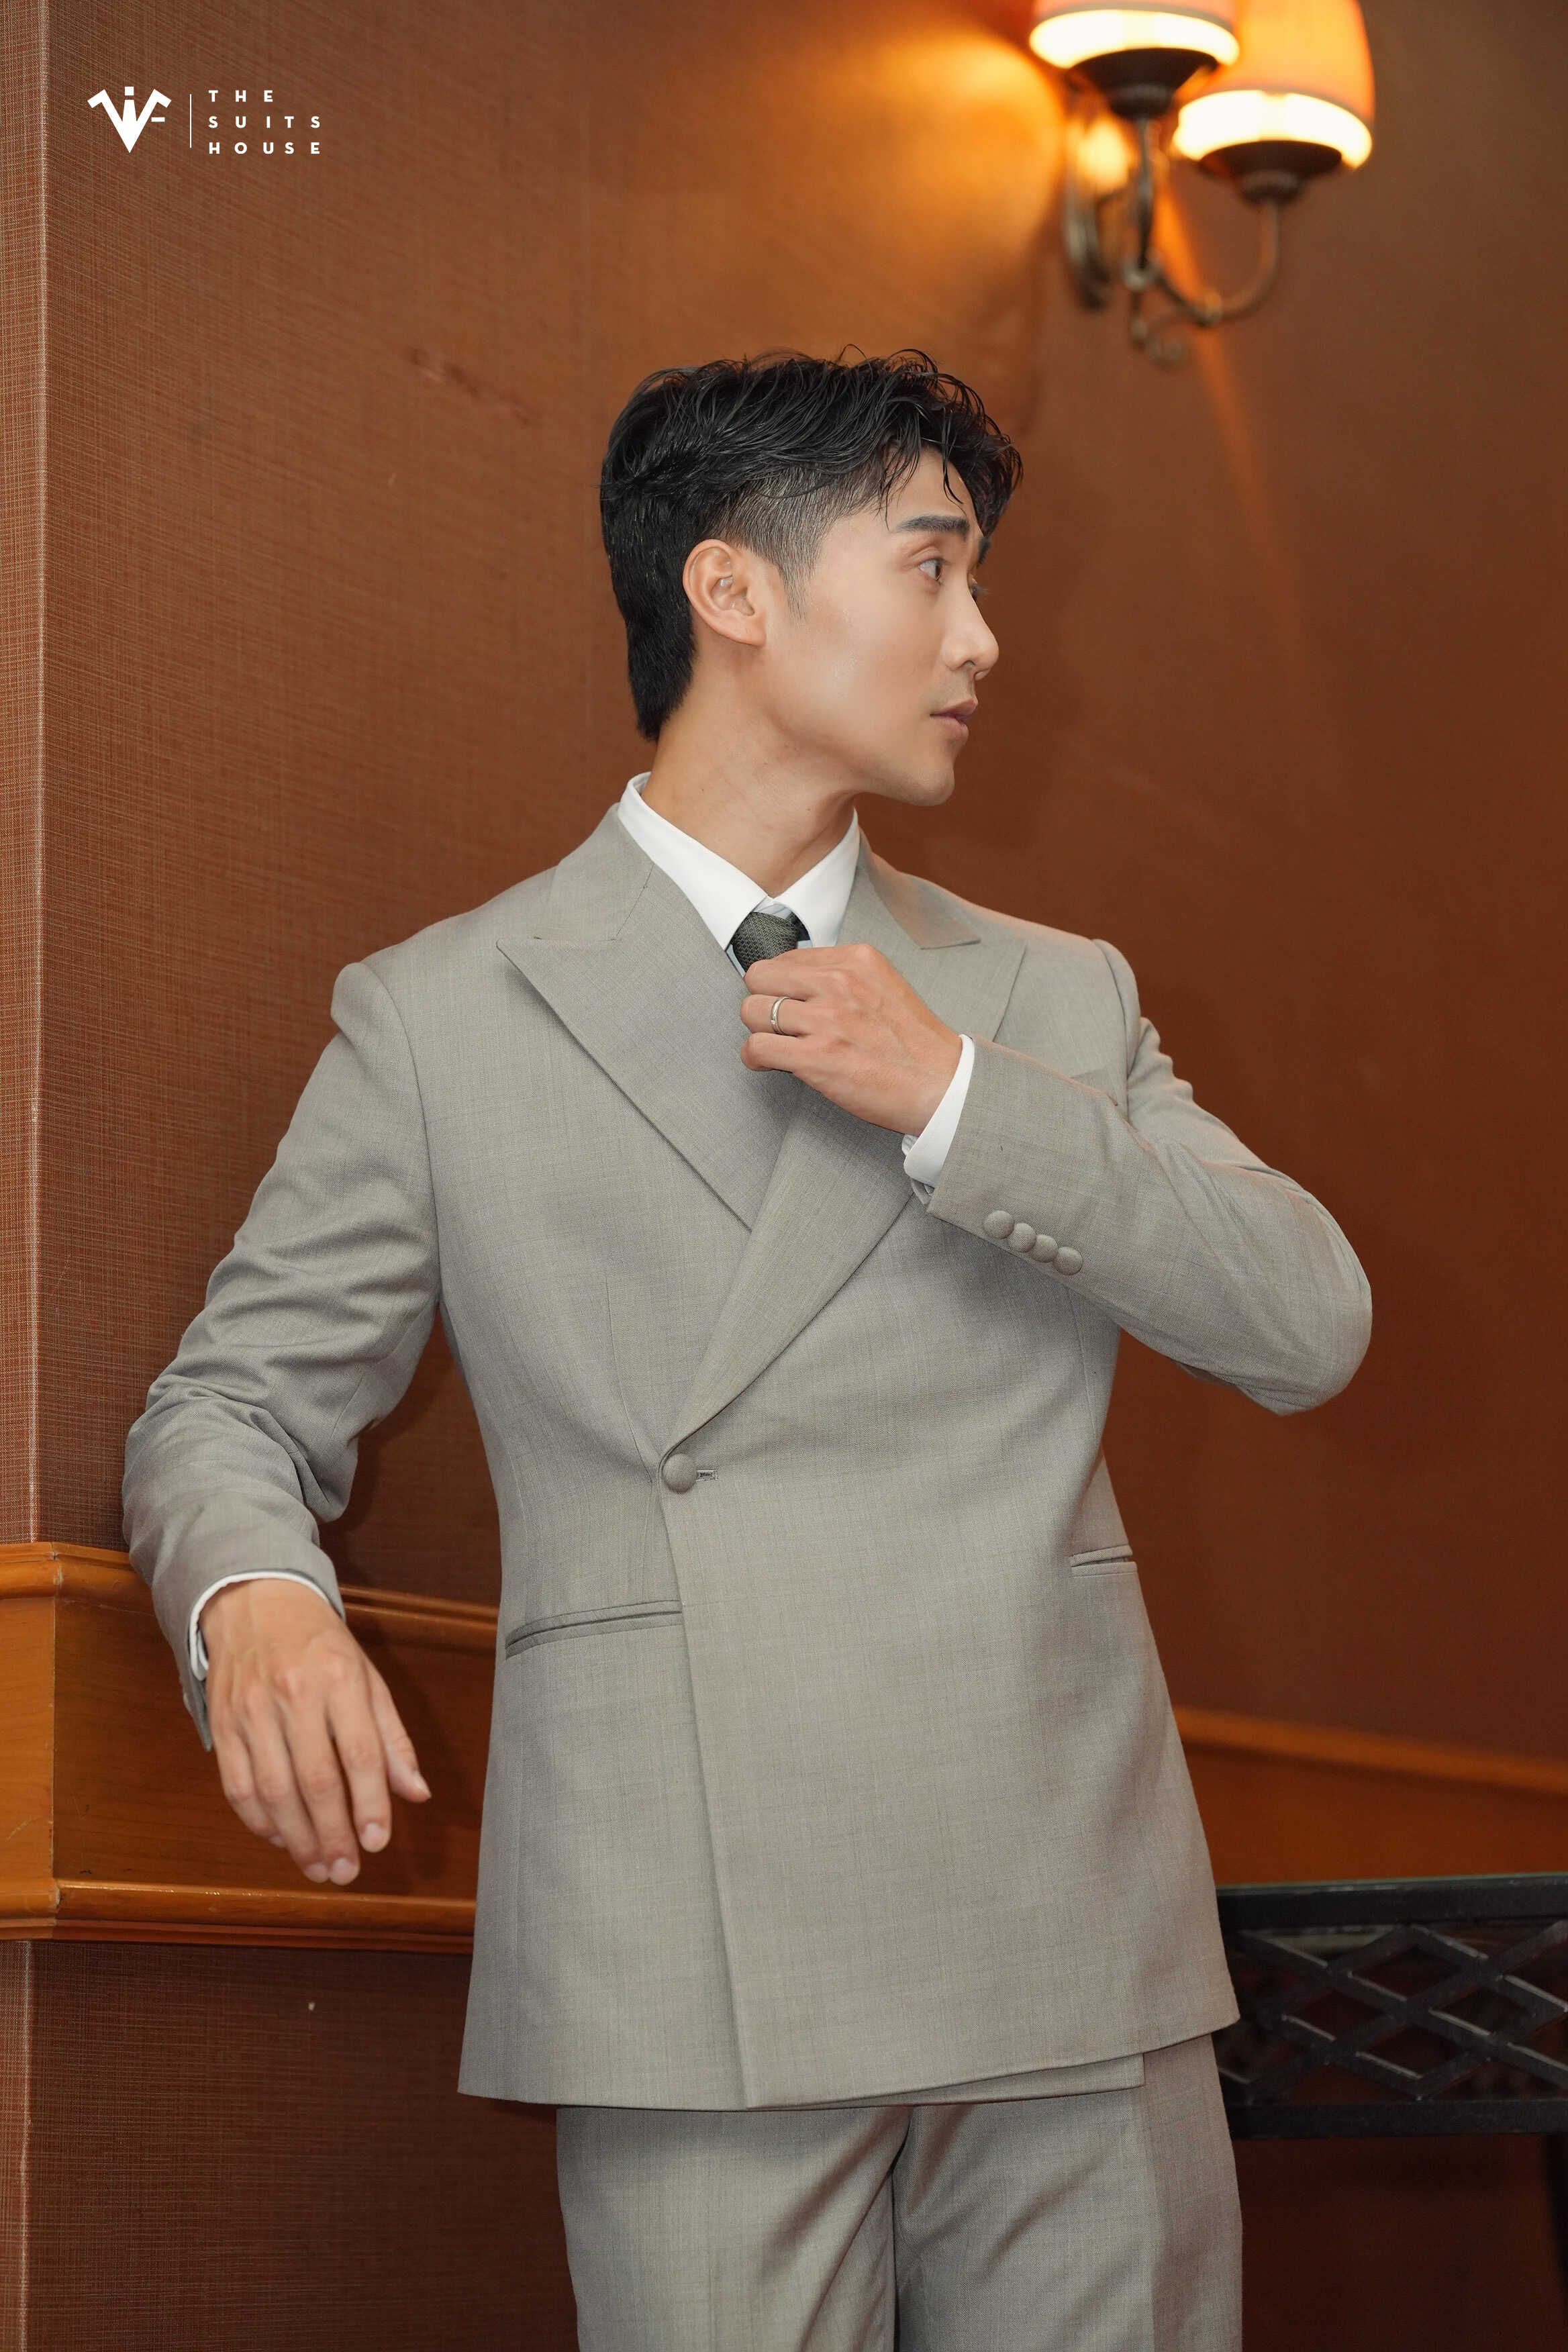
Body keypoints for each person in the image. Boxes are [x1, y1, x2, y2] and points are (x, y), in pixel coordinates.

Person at [123, 348, 1371, 2349]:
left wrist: (959, 1097)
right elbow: (231, 1406)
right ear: (733, 591)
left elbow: (1310, 1320)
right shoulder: (445, 1012)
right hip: (688, 1950)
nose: (983, 638)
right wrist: (258, 1604)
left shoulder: (1051, 996)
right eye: (933, 567)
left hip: (1067, 1932)